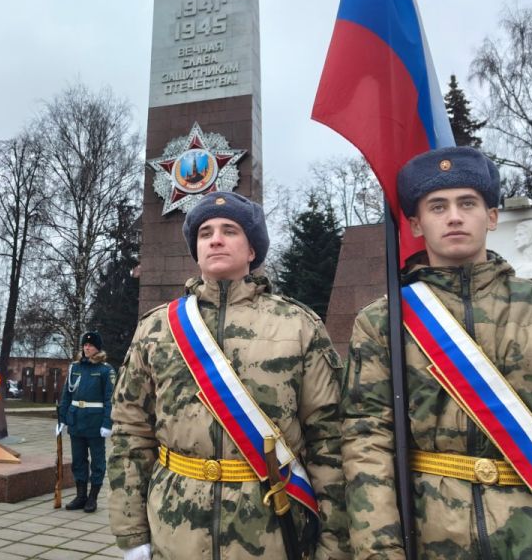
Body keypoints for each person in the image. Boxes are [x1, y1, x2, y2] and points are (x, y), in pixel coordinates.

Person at [342, 146, 532, 559]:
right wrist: (379, 550)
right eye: (437, 207)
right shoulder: (383, 321)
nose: (454, 216)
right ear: (416, 224)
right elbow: (368, 444)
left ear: (491, 217)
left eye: (467, 203)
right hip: (433, 536)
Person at [108, 191, 350, 560]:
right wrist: (131, 533)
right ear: (196, 249)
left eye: (230, 230)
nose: (216, 239)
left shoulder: (299, 325)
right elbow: (130, 434)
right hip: (175, 530)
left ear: (252, 250)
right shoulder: (158, 327)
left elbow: (327, 439)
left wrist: (334, 542)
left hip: (272, 529)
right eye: (205, 233)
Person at [57, 330, 115, 513]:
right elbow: (66, 394)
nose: (86, 347)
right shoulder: (75, 368)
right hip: (76, 420)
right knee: (78, 461)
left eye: (90, 345)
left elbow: (110, 399)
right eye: (85, 345)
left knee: (98, 461)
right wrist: (62, 419)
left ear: (97, 348)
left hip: (95, 422)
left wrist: (108, 424)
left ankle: (93, 497)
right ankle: (80, 495)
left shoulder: (106, 370)